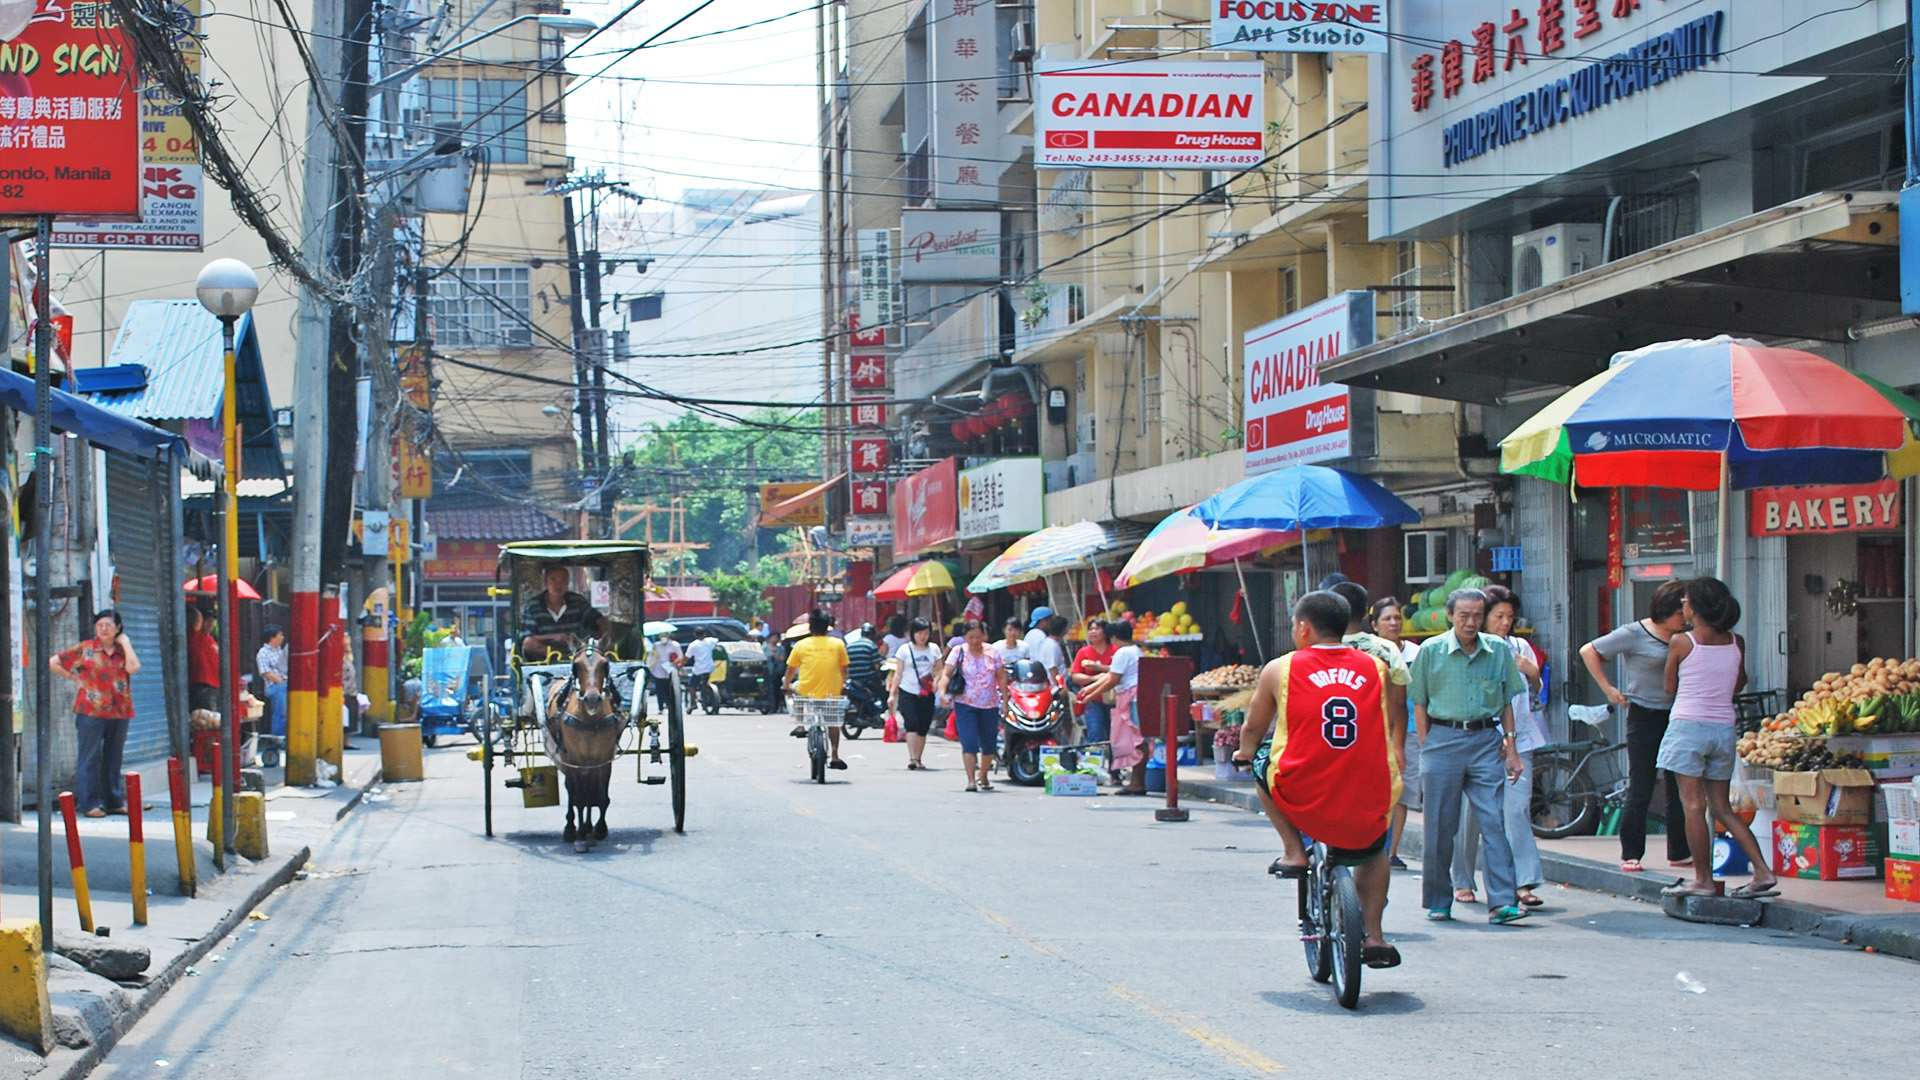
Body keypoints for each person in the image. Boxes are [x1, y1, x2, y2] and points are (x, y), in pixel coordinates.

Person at [1232, 591, 1402, 969]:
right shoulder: (1376, 667)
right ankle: (1374, 935)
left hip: (1303, 787)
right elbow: (1386, 721)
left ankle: (1293, 850)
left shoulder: (1281, 668)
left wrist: (1244, 753)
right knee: (1375, 851)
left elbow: (1253, 727)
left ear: (1303, 628)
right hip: (1367, 787)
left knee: (1261, 763)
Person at [1409, 587, 1531, 925]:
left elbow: (1506, 702)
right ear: (1450, 615)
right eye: (1464, 615)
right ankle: (1438, 899)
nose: (1470, 622)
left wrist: (1512, 749)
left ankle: (1502, 902)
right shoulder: (1431, 651)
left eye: (1477, 616)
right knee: (1439, 827)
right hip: (1442, 741)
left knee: (1493, 821)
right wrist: (1426, 744)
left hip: (1484, 740)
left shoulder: (1497, 652)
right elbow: (1419, 702)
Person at [1658, 578, 1778, 900]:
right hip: (1723, 728)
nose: (1682, 606)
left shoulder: (1682, 642)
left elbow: (1669, 687)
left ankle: (1703, 880)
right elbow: (1739, 682)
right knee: (1723, 808)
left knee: (1693, 807)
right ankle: (1763, 872)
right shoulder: (1735, 642)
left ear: (1694, 607)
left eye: (1684, 601)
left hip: (1688, 728)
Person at [1581, 580, 1691, 873]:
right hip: (1643, 713)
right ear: (1666, 611)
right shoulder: (1634, 633)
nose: (1685, 618)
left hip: (1678, 713)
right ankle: (1631, 852)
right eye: (1680, 613)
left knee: (1677, 784)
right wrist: (1608, 689)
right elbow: (1588, 651)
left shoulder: (1685, 636)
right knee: (1641, 784)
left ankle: (1679, 850)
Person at [1449, 585, 1547, 909]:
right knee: (1470, 816)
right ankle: (1462, 879)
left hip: (1520, 739)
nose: (1505, 623)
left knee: (1516, 810)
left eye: (1510, 617)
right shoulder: (1467, 650)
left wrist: (1532, 673)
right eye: (1498, 616)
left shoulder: (1520, 647)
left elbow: (1535, 693)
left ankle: (1524, 881)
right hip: (1475, 741)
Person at [51, 610, 141, 818]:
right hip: (90, 710)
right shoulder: (86, 648)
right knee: (89, 757)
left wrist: (126, 643)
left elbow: (134, 668)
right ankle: (89, 804)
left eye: (109, 625)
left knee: (113, 757)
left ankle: (113, 801)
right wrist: (74, 678)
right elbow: (54, 662)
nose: (103, 628)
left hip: (120, 711)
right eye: (99, 625)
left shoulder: (122, 650)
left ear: (118, 628)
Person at [1368, 598, 1422, 869]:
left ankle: (1392, 852)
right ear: (1374, 625)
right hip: (1373, 731)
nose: (1393, 623)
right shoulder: (1366, 653)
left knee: (1401, 793)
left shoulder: (1415, 653)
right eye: (1387, 618)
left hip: (1410, 730)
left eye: (1397, 617)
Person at [934, 620, 1007, 792]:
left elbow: (1001, 677)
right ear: (965, 637)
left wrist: (1005, 701)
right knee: (969, 742)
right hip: (965, 704)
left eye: (978, 637)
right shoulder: (958, 652)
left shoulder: (993, 652)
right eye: (970, 637)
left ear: (984, 635)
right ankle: (971, 780)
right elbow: (946, 674)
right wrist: (943, 692)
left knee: (989, 744)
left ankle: (983, 775)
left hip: (990, 704)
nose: (975, 641)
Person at [1075, 620, 1145, 793]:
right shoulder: (1136, 651)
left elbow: (1113, 679)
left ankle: (1137, 782)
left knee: (1135, 740)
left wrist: (1090, 695)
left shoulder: (1122, 653)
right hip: (1136, 696)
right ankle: (1136, 781)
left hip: (1131, 698)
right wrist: (1089, 690)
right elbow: (1108, 676)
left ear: (1113, 636)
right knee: (1136, 739)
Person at [787, 608, 852, 771]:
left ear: (810, 628)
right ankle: (835, 755)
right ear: (828, 627)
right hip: (832, 691)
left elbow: (790, 670)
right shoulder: (838, 644)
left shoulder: (801, 645)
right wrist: (842, 684)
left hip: (807, 690)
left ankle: (801, 724)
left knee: (795, 688)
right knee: (833, 722)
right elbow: (844, 670)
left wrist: (785, 685)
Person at [887, 617, 942, 770]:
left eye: (926, 633)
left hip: (927, 692)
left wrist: (937, 682)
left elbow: (939, 670)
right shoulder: (904, 649)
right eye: (919, 633)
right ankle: (912, 758)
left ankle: (918, 758)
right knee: (911, 724)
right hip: (908, 691)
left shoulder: (934, 649)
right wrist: (892, 694)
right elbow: (898, 674)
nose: (922, 636)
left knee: (923, 726)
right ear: (912, 633)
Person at [519, 566, 602, 660]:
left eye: (563, 580)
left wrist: (604, 632)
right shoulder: (533, 606)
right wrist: (555, 637)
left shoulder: (577, 601)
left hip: (577, 651)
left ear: (568, 583)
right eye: (553, 579)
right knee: (529, 643)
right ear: (545, 583)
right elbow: (526, 638)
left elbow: (598, 620)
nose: (558, 584)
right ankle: (564, 659)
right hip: (544, 654)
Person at [1070, 620, 1116, 748]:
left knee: (1115, 736)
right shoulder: (1083, 652)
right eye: (1090, 629)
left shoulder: (1115, 650)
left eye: (1097, 629)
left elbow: (1120, 671)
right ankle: (1095, 765)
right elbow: (1075, 676)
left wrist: (1099, 667)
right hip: (1093, 699)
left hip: (1114, 700)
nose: (1092, 632)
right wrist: (1095, 678)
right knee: (1095, 733)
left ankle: (1114, 766)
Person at [255, 625, 289, 738]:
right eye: (280, 635)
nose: (282, 637)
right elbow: (266, 673)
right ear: (272, 638)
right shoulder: (263, 653)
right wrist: (281, 682)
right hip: (275, 686)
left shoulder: (280, 651)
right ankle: (278, 738)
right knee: (281, 713)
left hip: (285, 684)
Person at [187, 607, 220, 714]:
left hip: (215, 686)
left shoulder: (211, 639)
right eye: (208, 621)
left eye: (212, 621)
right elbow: (197, 619)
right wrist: (196, 612)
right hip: (203, 686)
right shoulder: (194, 636)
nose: (210, 624)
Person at [646, 631, 684, 716]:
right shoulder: (656, 645)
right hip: (658, 669)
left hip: (670, 669)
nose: (663, 638)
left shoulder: (675, 645)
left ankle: (669, 705)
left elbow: (680, 656)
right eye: (661, 636)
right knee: (659, 690)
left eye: (665, 636)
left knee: (669, 689)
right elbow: (652, 656)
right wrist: (650, 665)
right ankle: (660, 707)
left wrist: (674, 662)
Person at [687, 633, 718, 710]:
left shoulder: (693, 644)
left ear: (695, 635)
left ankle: (693, 703)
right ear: (704, 634)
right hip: (710, 669)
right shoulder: (710, 641)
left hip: (698, 670)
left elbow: (687, 657)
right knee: (708, 682)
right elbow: (718, 642)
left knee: (691, 685)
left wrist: (680, 664)